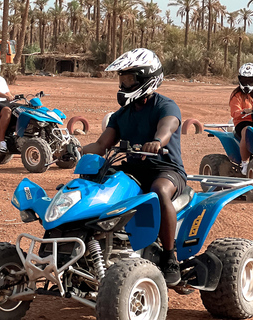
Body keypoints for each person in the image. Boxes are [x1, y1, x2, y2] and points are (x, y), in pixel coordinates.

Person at [82, 48, 186, 286]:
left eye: (129, 78)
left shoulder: (165, 106)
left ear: (146, 78)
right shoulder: (122, 114)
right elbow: (101, 145)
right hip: (132, 171)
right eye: (122, 78)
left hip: (166, 170)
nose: (124, 83)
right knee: (94, 182)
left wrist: (157, 142)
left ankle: (170, 257)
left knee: (159, 191)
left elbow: (167, 128)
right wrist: (76, 150)